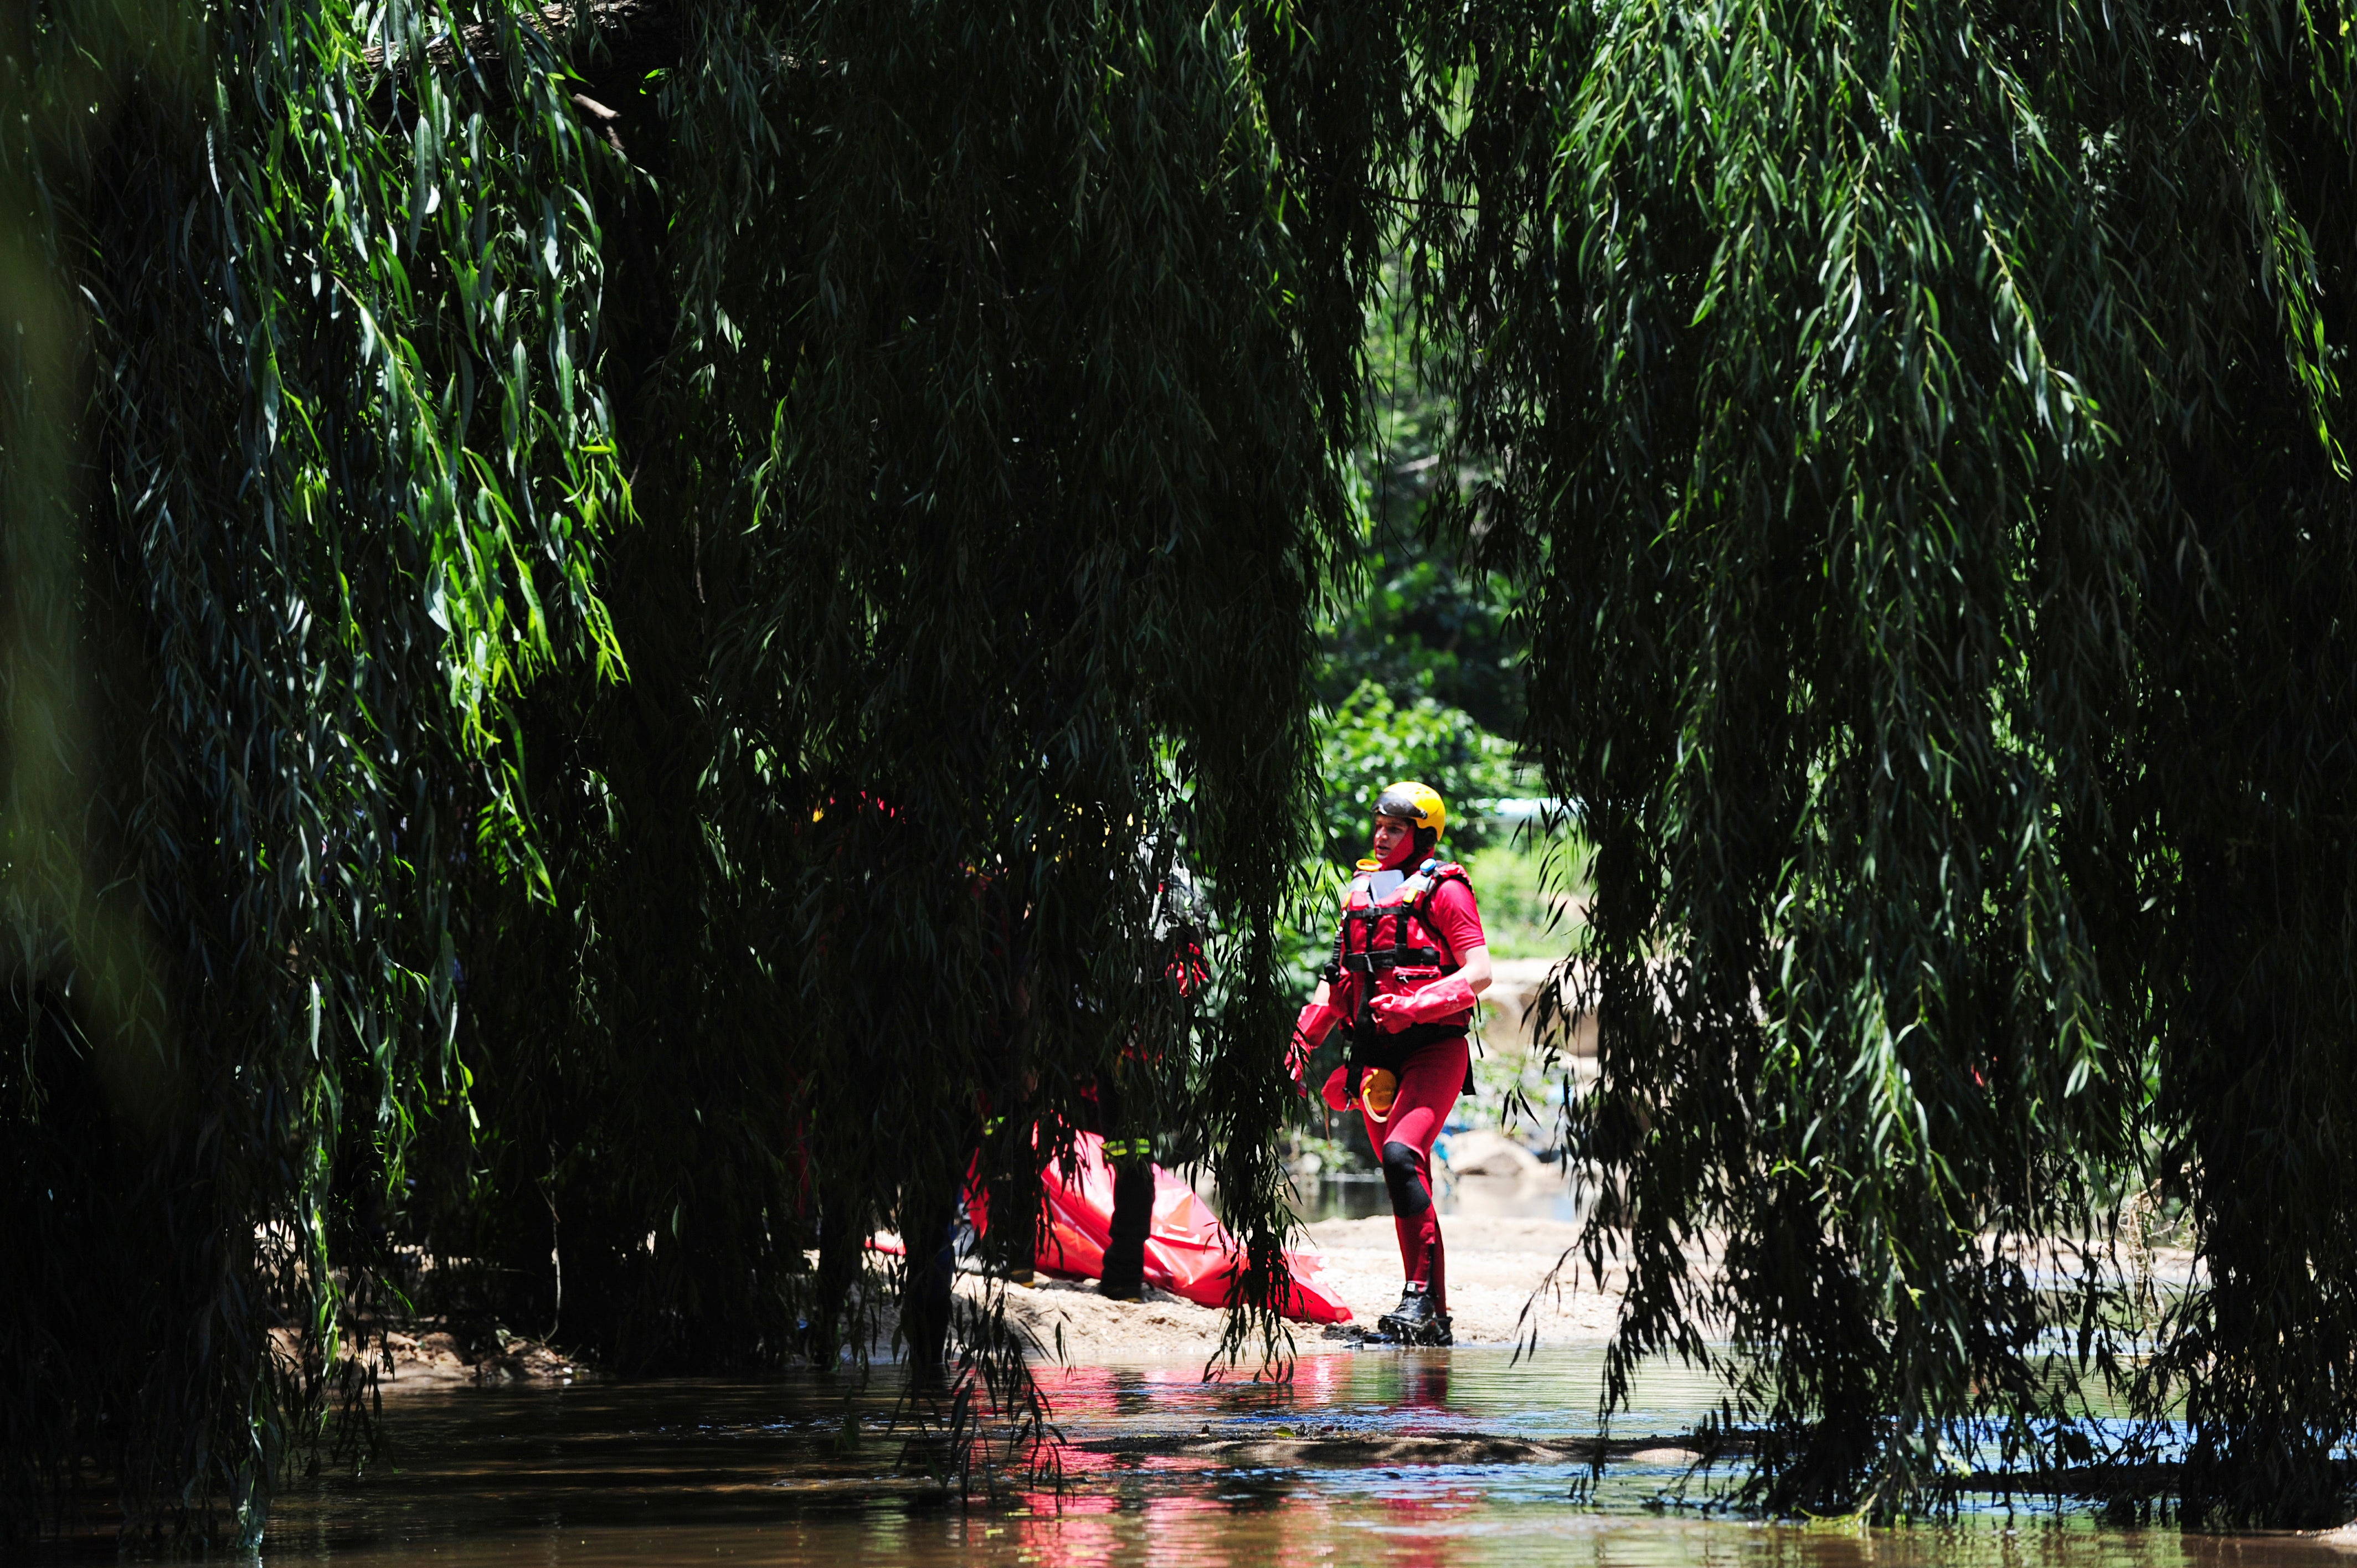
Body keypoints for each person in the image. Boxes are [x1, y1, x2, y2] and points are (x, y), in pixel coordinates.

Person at [1286, 781, 1491, 1345]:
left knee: (1403, 1155)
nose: (1381, 836)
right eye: (1378, 825)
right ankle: (1430, 1315)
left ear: (1421, 834)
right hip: (1373, 1056)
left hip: (1432, 1046)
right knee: (1404, 1172)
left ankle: (1420, 1300)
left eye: (1394, 828)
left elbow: (1477, 974)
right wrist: (1300, 1046)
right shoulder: (1364, 891)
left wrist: (1413, 1005)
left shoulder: (1444, 889)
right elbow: (1336, 989)